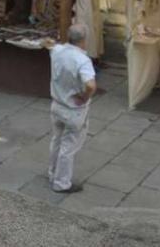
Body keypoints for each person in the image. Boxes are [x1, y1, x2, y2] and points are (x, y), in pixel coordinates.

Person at [45, 24, 97, 194]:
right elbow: (90, 85)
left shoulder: (58, 51)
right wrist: (85, 96)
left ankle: (52, 173)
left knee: (57, 141)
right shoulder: (82, 60)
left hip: (56, 104)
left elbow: (48, 43)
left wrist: (49, 42)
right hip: (73, 110)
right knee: (68, 147)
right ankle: (61, 182)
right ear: (83, 40)